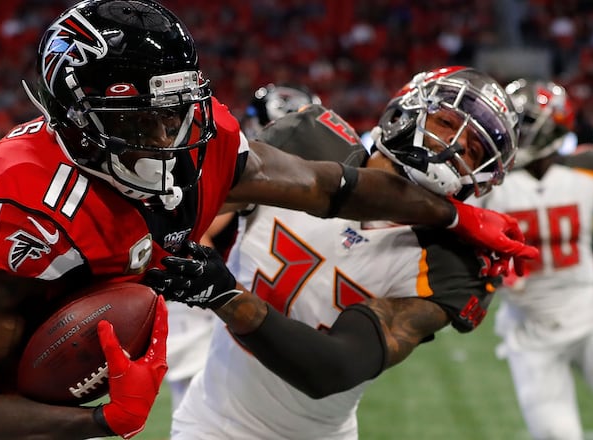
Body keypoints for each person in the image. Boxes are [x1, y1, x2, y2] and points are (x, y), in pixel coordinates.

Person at [0, 2, 534, 438]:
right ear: (82, 124)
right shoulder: (14, 211)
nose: (172, 133)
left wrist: (450, 215)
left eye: (178, 108)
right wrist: (103, 421)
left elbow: (332, 188)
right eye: (143, 120)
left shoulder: (200, 139)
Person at [145, 66, 521, 439]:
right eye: (446, 123)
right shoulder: (311, 137)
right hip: (213, 420)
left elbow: (332, 368)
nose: (454, 147)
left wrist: (226, 294)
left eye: (473, 150)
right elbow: (203, 202)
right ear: (407, 108)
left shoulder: (453, 264)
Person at [166, 83, 324, 414]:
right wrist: (222, 288)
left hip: (231, 296)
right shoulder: (244, 176)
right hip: (208, 301)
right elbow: (194, 237)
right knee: (209, 403)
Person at [475, 78, 593, 440]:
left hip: (591, 316)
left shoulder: (589, 169)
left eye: (522, 126)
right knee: (556, 434)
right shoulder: (490, 184)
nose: (511, 133)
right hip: (530, 329)